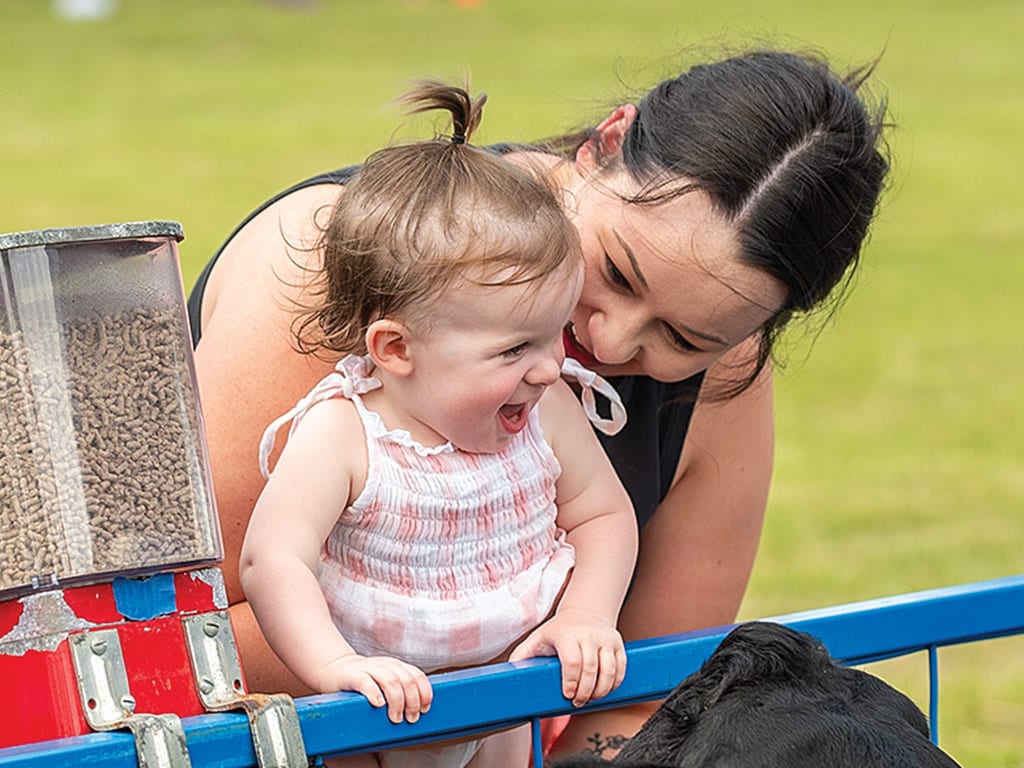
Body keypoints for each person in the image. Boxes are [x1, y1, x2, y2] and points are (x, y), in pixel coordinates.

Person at [188, 47, 889, 758]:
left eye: (682, 337)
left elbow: (653, 691)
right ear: (606, 143)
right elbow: (182, 630)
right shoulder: (342, 263)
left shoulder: (727, 368)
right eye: (617, 270)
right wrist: (444, 654)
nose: (609, 344)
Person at [237, 82, 638, 768]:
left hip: (500, 691)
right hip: (376, 711)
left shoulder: (548, 411)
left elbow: (604, 515)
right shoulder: (346, 435)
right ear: (396, 350)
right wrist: (334, 664)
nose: (547, 368)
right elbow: (271, 558)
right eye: (515, 349)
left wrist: (586, 614)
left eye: (553, 337)